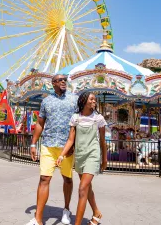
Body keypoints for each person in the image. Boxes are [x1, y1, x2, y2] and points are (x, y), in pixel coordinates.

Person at [26, 74, 78, 225]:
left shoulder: (74, 100)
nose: (63, 82)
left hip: (66, 146)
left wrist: (74, 144)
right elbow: (40, 123)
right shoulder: (46, 101)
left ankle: (66, 210)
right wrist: (33, 144)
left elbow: (79, 123)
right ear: (53, 83)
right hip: (48, 144)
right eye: (60, 80)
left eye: (65, 80)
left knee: (67, 179)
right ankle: (38, 219)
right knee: (44, 179)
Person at [57, 91, 107, 225]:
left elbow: (102, 141)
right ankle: (96, 213)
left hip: (93, 155)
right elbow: (70, 140)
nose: (94, 101)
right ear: (84, 101)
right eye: (91, 99)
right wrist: (62, 155)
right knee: (87, 188)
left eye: (95, 99)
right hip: (80, 155)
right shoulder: (75, 118)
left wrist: (104, 159)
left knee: (82, 188)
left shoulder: (99, 119)